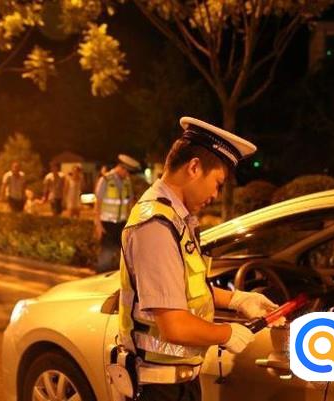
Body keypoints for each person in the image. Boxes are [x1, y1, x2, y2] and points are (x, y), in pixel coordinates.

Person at [116, 117, 284, 401]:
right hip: (158, 388)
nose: (215, 195)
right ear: (194, 168)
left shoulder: (175, 219)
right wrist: (226, 333)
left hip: (175, 382)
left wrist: (237, 300)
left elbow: (183, 290)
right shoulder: (156, 226)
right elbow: (174, 325)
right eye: (217, 183)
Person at [94, 154, 140, 273]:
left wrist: (130, 223)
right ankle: (100, 278)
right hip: (107, 224)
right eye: (126, 171)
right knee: (106, 256)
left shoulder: (127, 182)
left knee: (125, 256)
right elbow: (97, 203)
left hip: (122, 224)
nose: (127, 175)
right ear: (121, 167)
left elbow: (129, 203)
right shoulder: (105, 180)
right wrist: (98, 224)